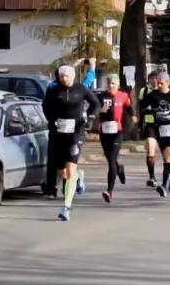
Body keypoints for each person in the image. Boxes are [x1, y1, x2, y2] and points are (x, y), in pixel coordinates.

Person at [42, 65, 100, 221]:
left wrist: (90, 117)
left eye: (67, 76)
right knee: (63, 173)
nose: (64, 78)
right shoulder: (53, 90)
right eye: (62, 76)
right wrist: (51, 120)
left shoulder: (80, 89)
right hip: (58, 133)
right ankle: (79, 176)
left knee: (70, 169)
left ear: (73, 76)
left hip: (76, 132)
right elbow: (45, 106)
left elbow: (95, 103)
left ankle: (66, 207)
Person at [139, 72, 170, 197]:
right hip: (157, 128)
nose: (159, 85)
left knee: (167, 155)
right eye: (158, 83)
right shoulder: (152, 95)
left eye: (161, 83)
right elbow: (142, 107)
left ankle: (164, 185)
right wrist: (147, 114)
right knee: (161, 154)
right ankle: (168, 176)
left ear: (168, 83)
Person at [95, 75, 135, 203]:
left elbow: (128, 106)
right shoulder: (101, 96)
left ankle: (109, 191)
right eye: (109, 83)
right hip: (104, 132)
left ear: (117, 85)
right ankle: (119, 168)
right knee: (110, 159)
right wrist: (99, 111)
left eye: (113, 83)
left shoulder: (123, 96)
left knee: (111, 161)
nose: (111, 86)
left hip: (117, 132)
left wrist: (133, 116)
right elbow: (94, 109)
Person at [137, 71, 161, 187]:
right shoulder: (144, 91)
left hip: (163, 124)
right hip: (150, 123)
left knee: (168, 151)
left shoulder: (164, 90)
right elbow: (141, 107)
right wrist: (140, 126)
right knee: (151, 148)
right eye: (152, 78)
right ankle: (152, 177)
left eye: (156, 78)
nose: (154, 81)